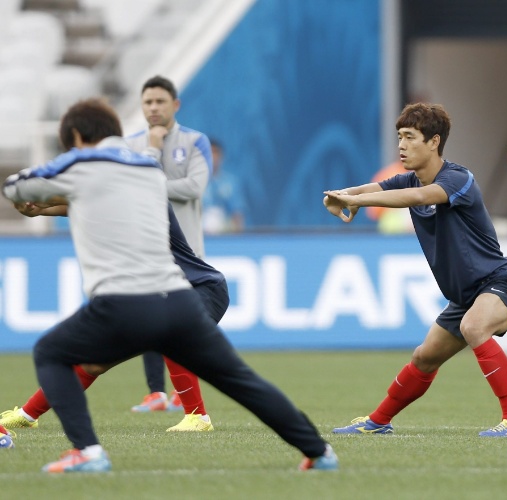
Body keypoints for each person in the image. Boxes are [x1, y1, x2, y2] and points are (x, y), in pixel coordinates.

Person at [1, 98, 336, 473]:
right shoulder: (147, 168)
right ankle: (319, 451)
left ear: (79, 137)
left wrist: (33, 198)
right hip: (179, 301)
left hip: (122, 302)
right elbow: (100, 200)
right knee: (241, 381)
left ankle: (88, 451)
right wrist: (49, 204)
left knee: (50, 351)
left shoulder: (82, 162)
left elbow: (18, 187)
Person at [323, 103, 507, 438]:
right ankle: (378, 421)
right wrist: (340, 196)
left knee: (474, 327)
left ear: (434, 142)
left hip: (499, 283)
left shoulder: (457, 179)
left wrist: (357, 202)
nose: (401, 145)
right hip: (463, 297)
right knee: (423, 358)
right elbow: (373, 189)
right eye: (399, 137)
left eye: (409, 137)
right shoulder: (408, 178)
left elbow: (417, 196)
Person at [0, 203, 224, 432]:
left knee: (175, 333)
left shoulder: (149, 196)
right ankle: (27, 415)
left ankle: (197, 417)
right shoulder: (114, 199)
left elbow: (93, 202)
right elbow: (88, 203)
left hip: (200, 288)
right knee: (93, 363)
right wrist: (42, 209)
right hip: (155, 300)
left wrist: (47, 203)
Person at [127, 75, 212, 413]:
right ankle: (156, 393)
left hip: (187, 253)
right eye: (148, 102)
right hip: (145, 250)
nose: (153, 108)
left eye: (160, 101)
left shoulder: (195, 141)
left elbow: (194, 187)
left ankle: (183, 395)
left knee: (183, 326)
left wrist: (149, 178)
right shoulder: (129, 144)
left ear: (175, 105)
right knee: (149, 321)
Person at [203, 139, 246, 234]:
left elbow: (237, 214)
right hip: (199, 234)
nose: (212, 157)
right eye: (209, 152)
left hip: (224, 236)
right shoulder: (195, 182)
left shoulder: (231, 182)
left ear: (221, 156)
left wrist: (239, 238)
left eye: (215, 152)